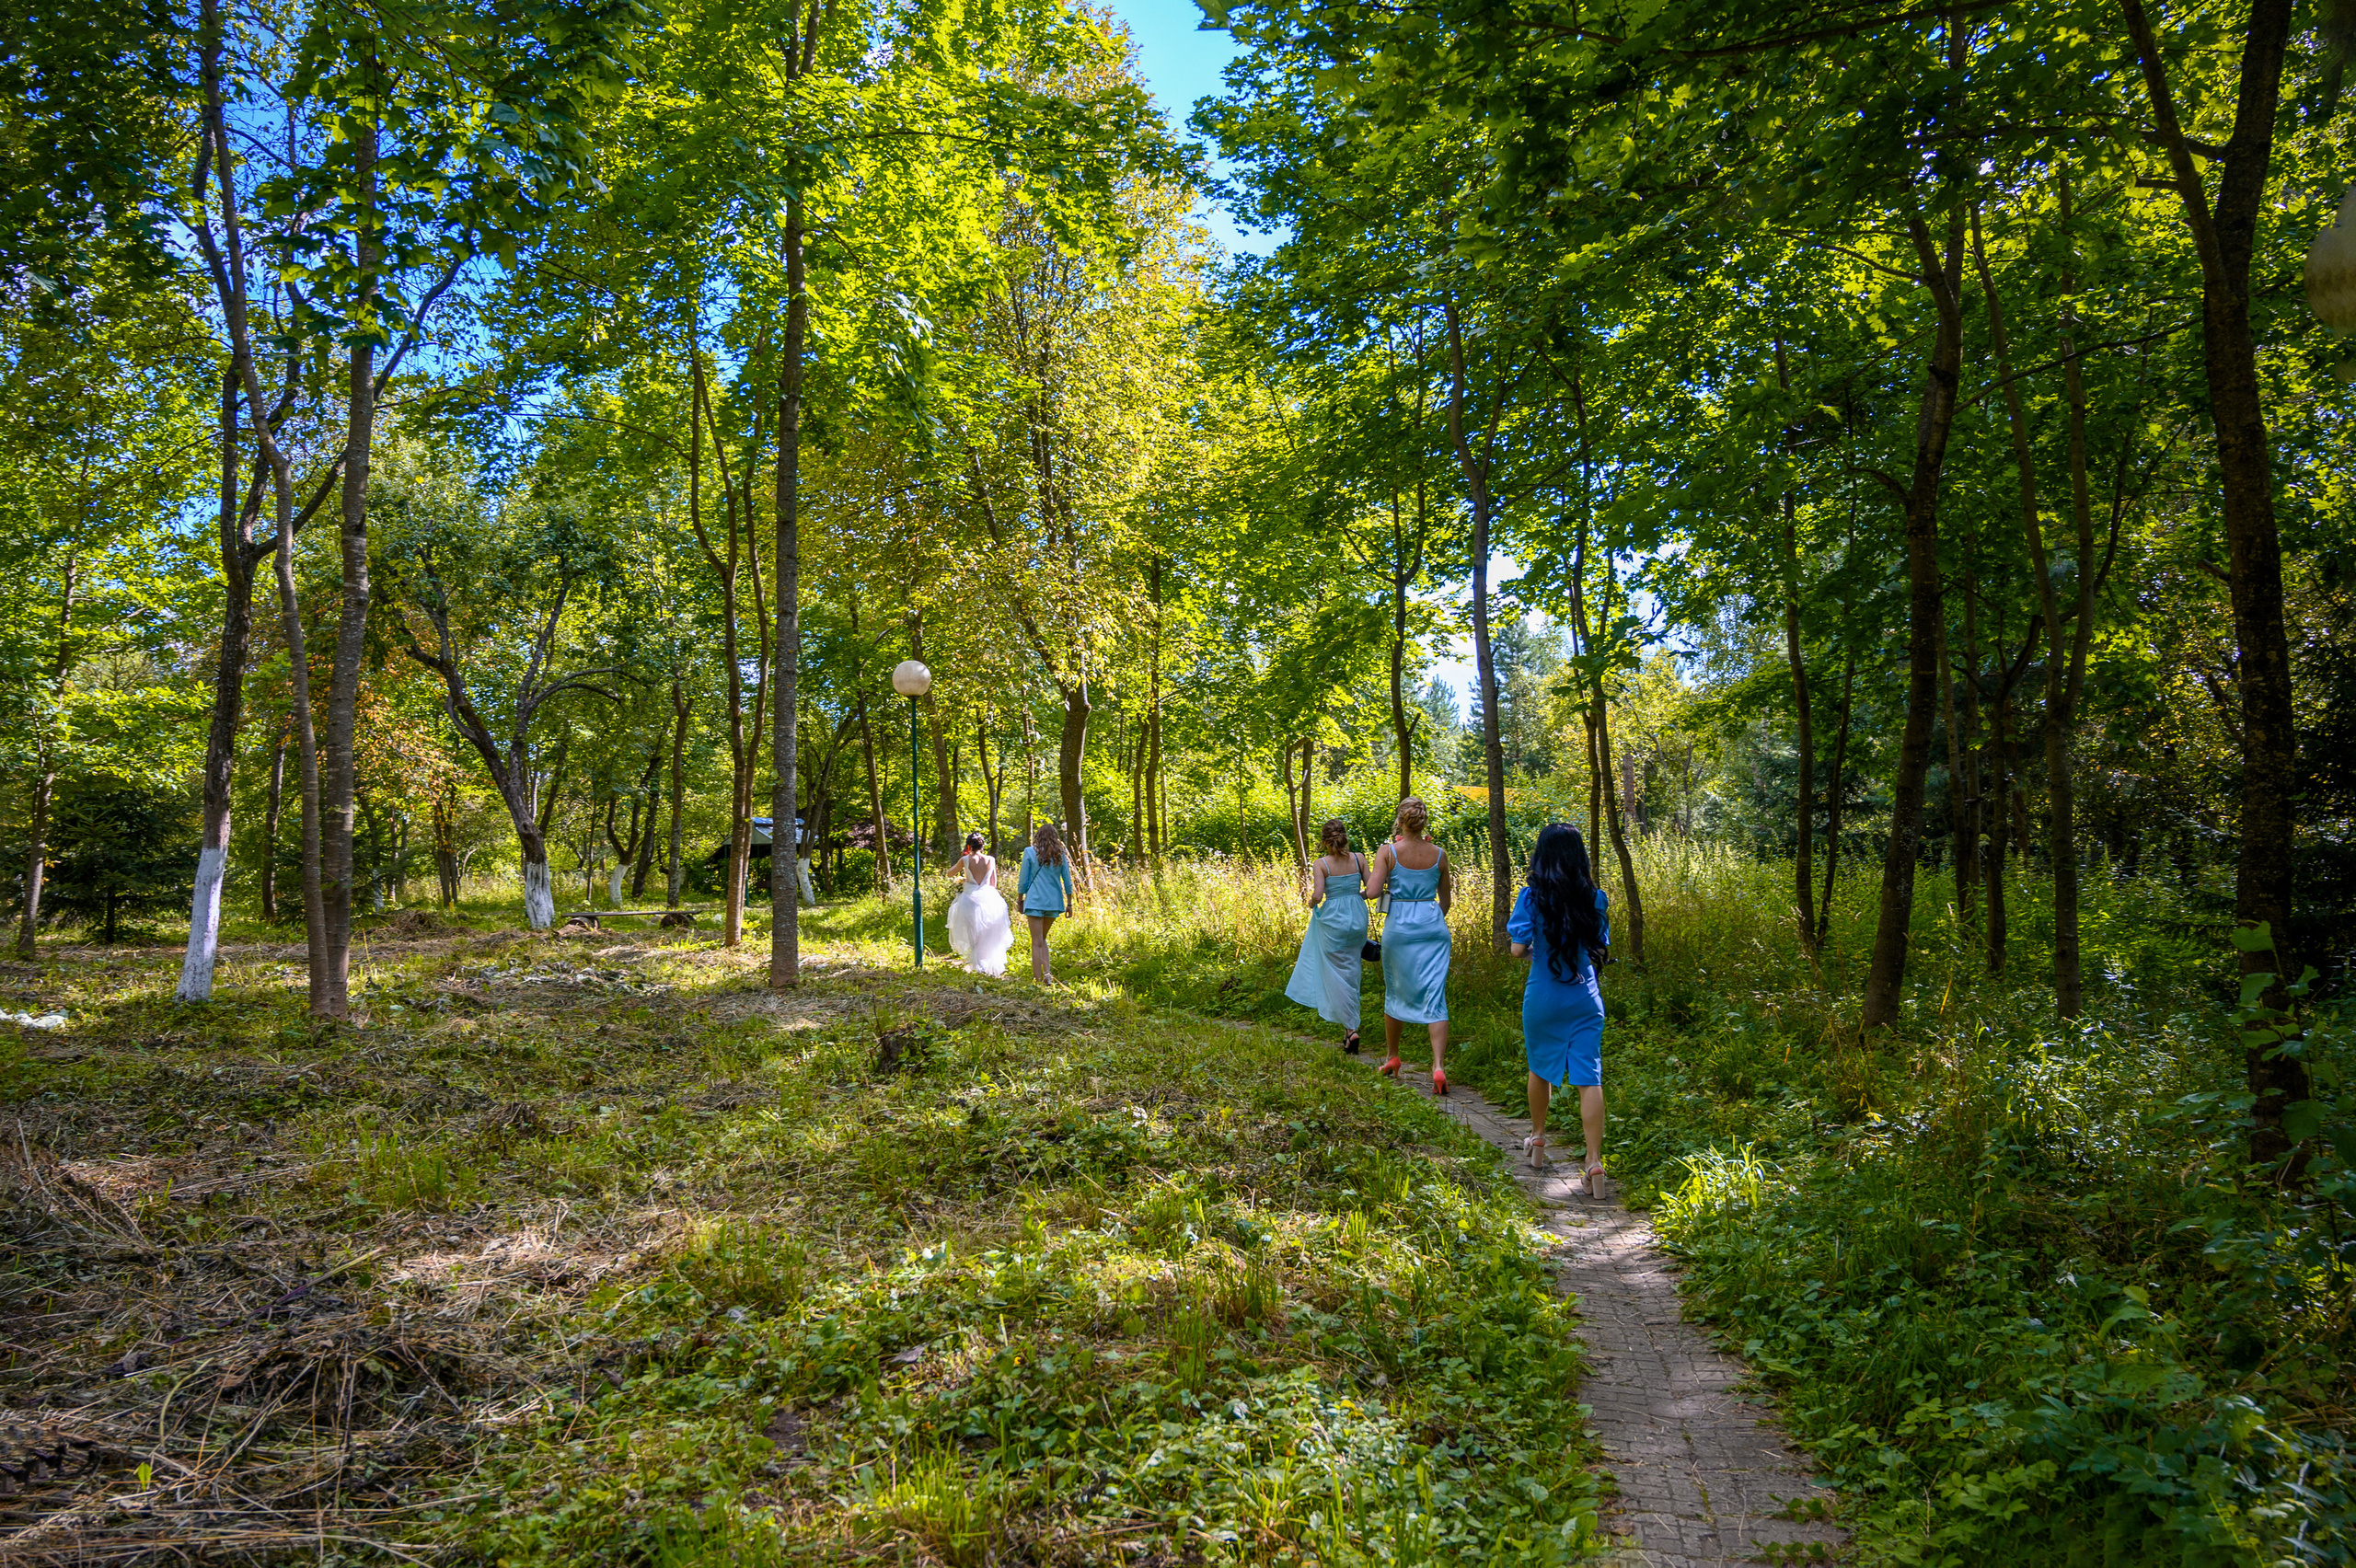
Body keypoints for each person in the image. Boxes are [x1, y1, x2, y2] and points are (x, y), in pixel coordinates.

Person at [1507, 822, 1611, 1194]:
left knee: (1540, 1067)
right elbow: (1599, 943)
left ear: (1542, 856)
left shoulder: (1530, 898)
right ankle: (1594, 1163)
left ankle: (1537, 1139)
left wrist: (1537, 949)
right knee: (1589, 1077)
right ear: (1579, 857)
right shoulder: (1595, 897)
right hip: (1585, 996)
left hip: (1544, 995)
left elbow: (1518, 948)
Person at [1365, 796, 1452, 1095]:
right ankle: (1438, 1066)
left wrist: (1359, 889)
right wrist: (1429, 921)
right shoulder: (1439, 854)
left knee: (1396, 991)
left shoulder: (1388, 852)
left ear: (1400, 821)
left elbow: (1374, 892)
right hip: (1432, 926)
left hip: (1399, 928)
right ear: (1423, 822)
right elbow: (1446, 901)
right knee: (1435, 995)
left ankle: (1392, 1057)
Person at [1284, 819, 1369, 1053]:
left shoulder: (1321, 864)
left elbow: (1318, 895)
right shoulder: (1359, 858)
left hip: (1333, 921)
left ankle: (1352, 1029)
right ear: (1345, 837)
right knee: (1352, 972)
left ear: (1324, 841)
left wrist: (1309, 902)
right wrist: (1355, 895)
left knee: (1334, 974)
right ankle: (1348, 1032)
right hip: (1358, 918)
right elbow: (1372, 891)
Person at [946, 832, 1012, 977]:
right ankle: (987, 963)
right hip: (989, 897)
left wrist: (964, 877)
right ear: (982, 846)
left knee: (973, 932)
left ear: (969, 845)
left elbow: (950, 874)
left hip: (970, 899)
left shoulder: (965, 860)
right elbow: (993, 883)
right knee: (988, 931)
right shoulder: (990, 860)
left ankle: (978, 964)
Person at [1017, 823, 1076, 984]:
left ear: (1038, 836)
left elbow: (1023, 880)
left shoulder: (1029, 852)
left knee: (1036, 941)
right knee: (1042, 938)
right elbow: (1068, 881)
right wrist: (1069, 903)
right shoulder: (1060, 854)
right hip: (1053, 902)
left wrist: (1019, 899)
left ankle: (1037, 978)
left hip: (1035, 901)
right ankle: (1047, 974)